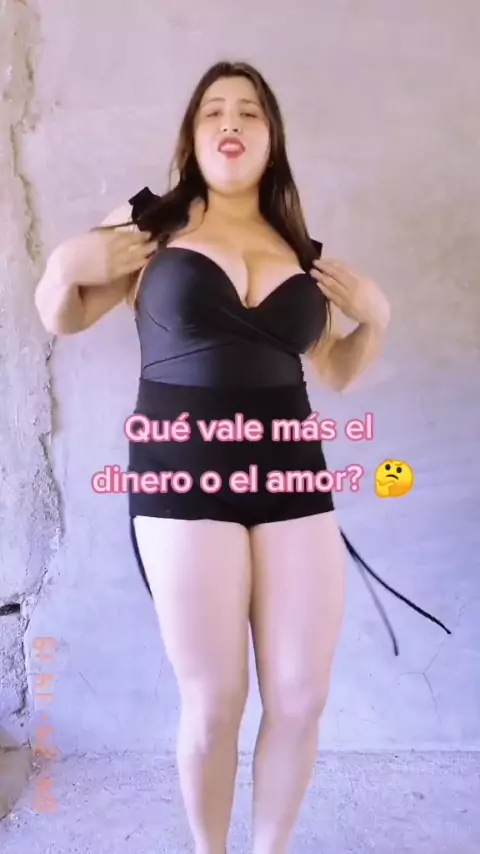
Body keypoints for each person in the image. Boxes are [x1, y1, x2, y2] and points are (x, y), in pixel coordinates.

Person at [34, 60, 450, 854]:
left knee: (300, 694)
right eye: (214, 110)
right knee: (216, 698)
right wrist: (61, 269)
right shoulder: (150, 225)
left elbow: (335, 369)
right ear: (193, 137)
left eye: (250, 111)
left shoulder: (300, 249)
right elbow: (64, 316)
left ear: (271, 138)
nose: (232, 121)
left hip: (292, 475)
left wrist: (378, 318)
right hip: (180, 475)